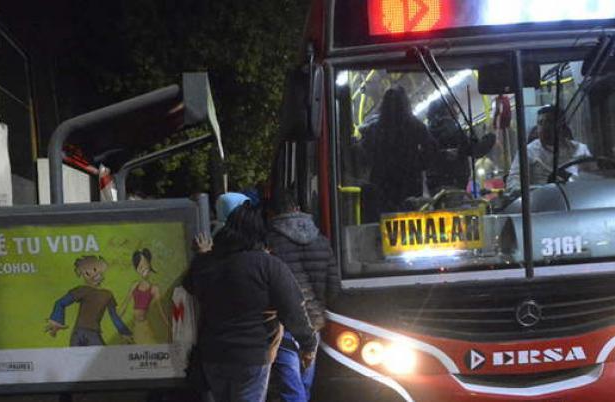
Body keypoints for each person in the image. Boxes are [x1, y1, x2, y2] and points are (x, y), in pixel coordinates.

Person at [184, 199, 317, 402]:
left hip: (213, 355)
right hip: (252, 355)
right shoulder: (268, 266)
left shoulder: (207, 263)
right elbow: (293, 311)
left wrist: (202, 255)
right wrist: (308, 345)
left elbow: (189, 285)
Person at [266, 190, 339, 402]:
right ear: (297, 209)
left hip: (285, 323)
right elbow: (333, 286)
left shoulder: (270, 243)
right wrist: (318, 307)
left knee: (291, 387)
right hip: (314, 322)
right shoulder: (321, 240)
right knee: (305, 383)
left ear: (271, 214)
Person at [357, 86, 437, 219]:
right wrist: (416, 164)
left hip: (382, 185)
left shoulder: (374, 128)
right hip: (410, 184)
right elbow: (432, 150)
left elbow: (364, 155)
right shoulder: (415, 125)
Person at [46, 256, 133, 346]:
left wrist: (124, 332)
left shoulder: (107, 294)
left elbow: (114, 316)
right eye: (87, 273)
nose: (93, 275)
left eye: (95, 270)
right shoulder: (82, 290)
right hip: (79, 333)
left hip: (92, 334)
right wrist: (56, 321)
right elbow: (60, 303)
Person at [507, 105, 591, 190]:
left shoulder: (580, 150)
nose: (543, 127)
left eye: (549, 122)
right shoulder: (527, 152)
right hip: (541, 200)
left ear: (561, 126)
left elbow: (592, 180)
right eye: (540, 123)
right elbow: (513, 183)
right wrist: (542, 189)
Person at [425, 98, 496, 194]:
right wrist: (490, 135)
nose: (457, 112)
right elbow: (476, 150)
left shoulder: (429, 130)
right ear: (447, 110)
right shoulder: (452, 129)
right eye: (455, 108)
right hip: (453, 182)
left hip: (434, 183)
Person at [118, 248, 170, 344]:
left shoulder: (154, 288)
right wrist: (117, 321)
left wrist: (168, 325)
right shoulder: (134, 285)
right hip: (135, 326)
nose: (143, 269)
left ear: (149, 265)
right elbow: (124, 306)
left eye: (145, 265)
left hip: (145, 326)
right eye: (140, 267)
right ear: (137, 269)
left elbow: (160, 311)